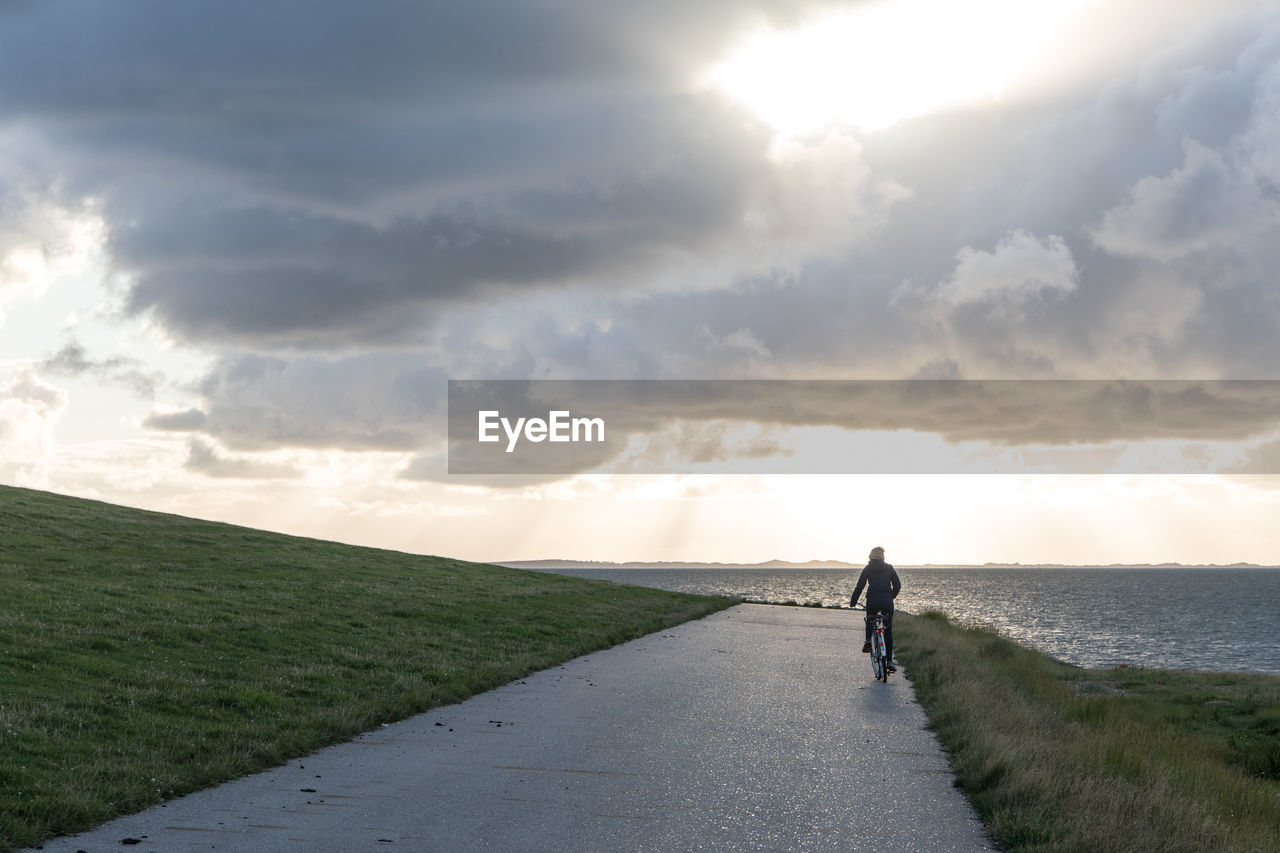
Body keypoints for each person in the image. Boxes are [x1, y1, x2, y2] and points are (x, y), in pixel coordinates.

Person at [850, 546, 902, 673]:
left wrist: (853, 601)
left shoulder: (868, 569)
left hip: (872, 601)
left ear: (871, 556)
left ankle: (868, 640)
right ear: (882, 556)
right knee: (888, 629)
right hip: (887, 601)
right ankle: (889, 661)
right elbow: (898, 585)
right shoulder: (889, 568)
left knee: (870, 621)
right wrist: (891, 596)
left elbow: (860, 586)